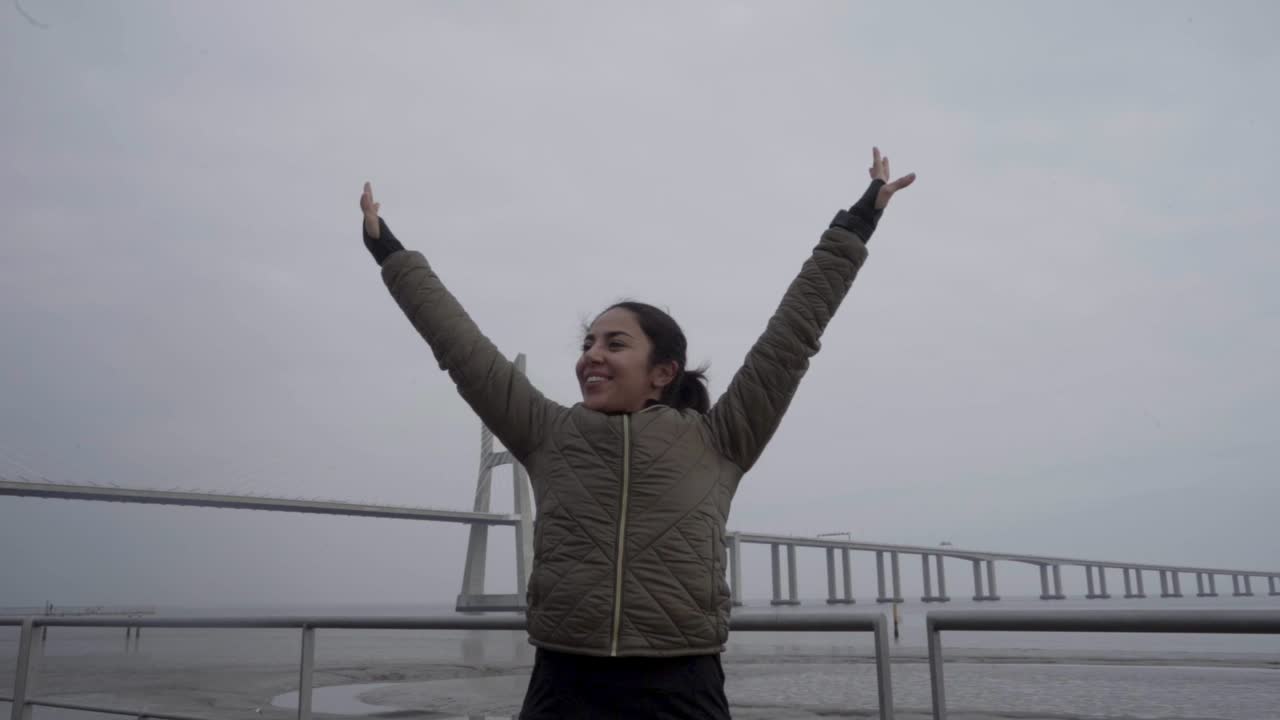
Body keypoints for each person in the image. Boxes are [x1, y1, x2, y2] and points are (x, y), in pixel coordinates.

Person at [359, 148, 915, 719]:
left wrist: (858, 221)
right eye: (587, 345)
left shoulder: (721, 439)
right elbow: (460, 347)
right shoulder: (547, 433)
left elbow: (793, 334)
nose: (592, 356)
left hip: (681, 684)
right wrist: (389, 252)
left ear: (663, 371)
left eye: (614, 344)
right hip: (564, 683)